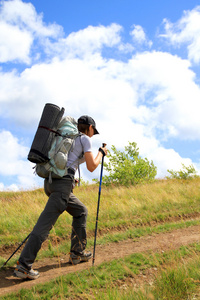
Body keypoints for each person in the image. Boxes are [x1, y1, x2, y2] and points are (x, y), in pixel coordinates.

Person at [13, 115, 107, 280]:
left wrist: (72, 177)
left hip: (51, 183)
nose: (93, 134)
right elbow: (92, 166)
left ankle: (77, 253)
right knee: (43, 227)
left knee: (81, 211)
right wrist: (101, 153)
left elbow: (74, 161)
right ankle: (24, 266)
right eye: (93, 131)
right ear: (90, 128)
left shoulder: (68, 138)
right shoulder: (85, 139)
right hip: (61, 187)